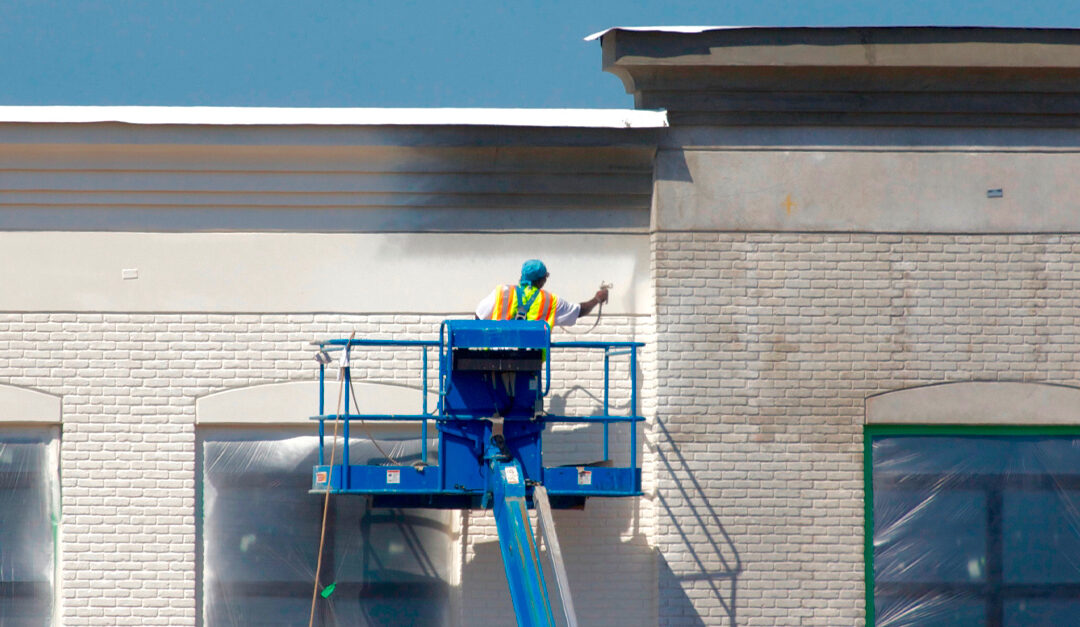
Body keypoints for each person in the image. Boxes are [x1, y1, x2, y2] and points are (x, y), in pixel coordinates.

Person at [475, 259, 609, 326]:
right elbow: (579, 311)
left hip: (493, 359)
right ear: (541, 281)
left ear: (522, 277)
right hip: (529, 362)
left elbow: (478, 316)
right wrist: (597, 298)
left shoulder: (501, 292)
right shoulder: (549, 301)